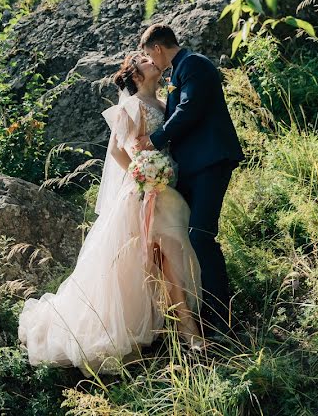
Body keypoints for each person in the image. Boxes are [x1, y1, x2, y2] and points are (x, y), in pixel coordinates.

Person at [18, 51, 203, 374]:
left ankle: (183, 329)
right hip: (144, 192)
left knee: (169, 258)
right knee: (155, 258)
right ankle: (188, 333)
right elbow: (119, 149)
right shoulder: (130, 106)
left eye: (150, 57)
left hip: (167, 190)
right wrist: (142, 174)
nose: (152, 62)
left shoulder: (163, 105)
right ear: (135, 75)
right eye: (144, 61)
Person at [136, 24, 245, 336]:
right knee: (191, 239)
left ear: (157, 48)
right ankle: (206, 314)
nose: (150, 61)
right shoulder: (178, 71)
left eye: (148, 54)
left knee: (200, 236)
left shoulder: (194, 64)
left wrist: (155, 140)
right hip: (193, 168)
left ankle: (221, 319)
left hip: (211, 161)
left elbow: (190, 108)